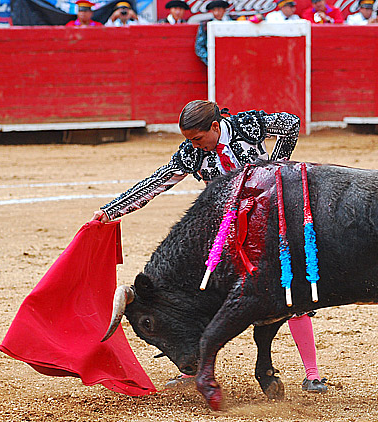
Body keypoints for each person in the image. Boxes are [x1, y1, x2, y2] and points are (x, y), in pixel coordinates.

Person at [91, 100, 328, 393]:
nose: (194, 145)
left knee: (289, 287)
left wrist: (273, 169)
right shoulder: (191, 153)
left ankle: (312, 373)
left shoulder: (248, 125)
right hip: (224, 230)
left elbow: (291, 124)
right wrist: (110, 211)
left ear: (215, 127)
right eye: (188, 140)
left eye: (198, 138)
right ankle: (195, 367)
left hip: (267, 221)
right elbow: (156, 182)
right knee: (203, 295)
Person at [195, 0, 231, 66]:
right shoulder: (205, 25)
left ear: (224, 10)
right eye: (214, 10)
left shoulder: (233, 23)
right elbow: (199, 46)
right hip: (214, 59)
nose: (217, 13)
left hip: (231, 59)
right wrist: (210, 60)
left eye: (219, 9)